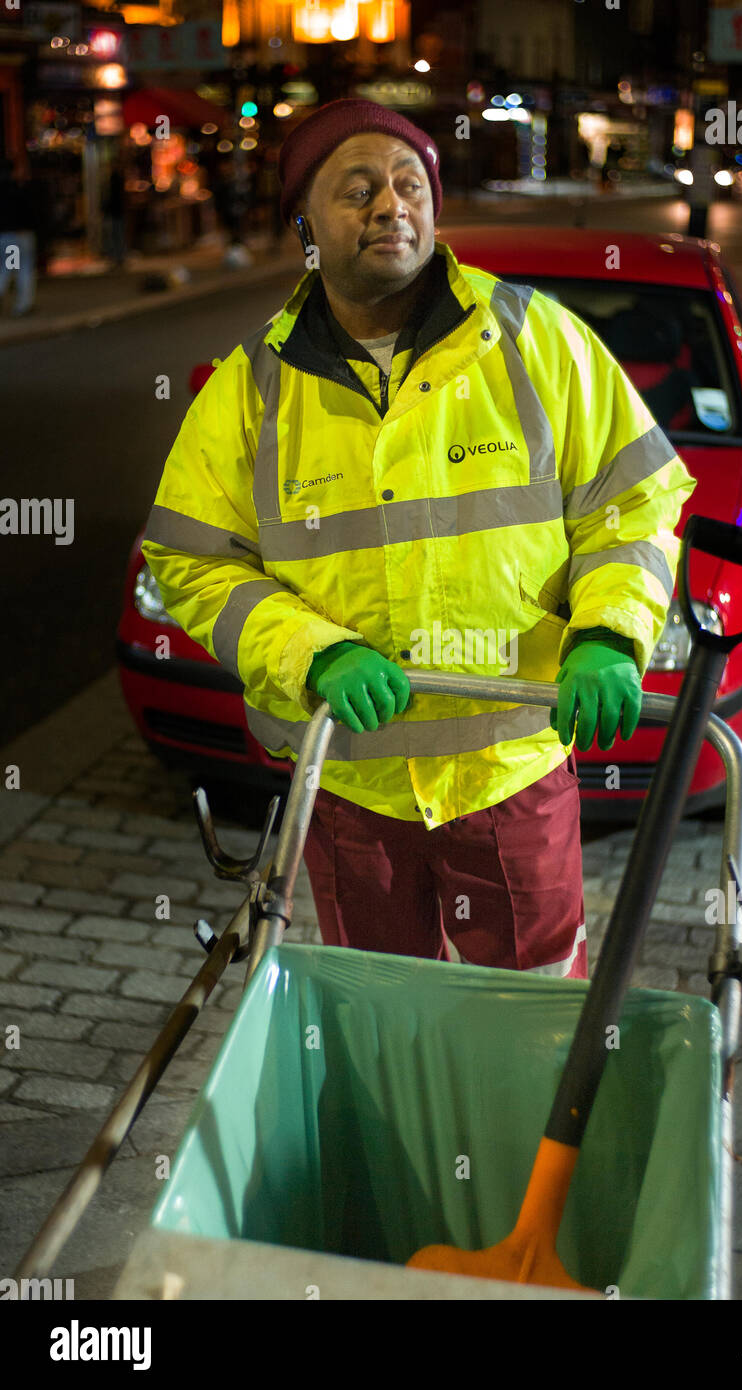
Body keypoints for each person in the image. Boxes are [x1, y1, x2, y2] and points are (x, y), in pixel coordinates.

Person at [141, 99, 696, 980]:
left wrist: (606, 636)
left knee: (532, 1015)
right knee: (378, 1021)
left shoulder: (535, 341)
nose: (390, 206)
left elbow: (635, 502)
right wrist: (311, 654)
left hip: (509, 772)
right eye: (356, 191)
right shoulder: (251, 390)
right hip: (352, 791)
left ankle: (517, 1130)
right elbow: (191, 558)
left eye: (409, 186)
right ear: (306, 229)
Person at [0, 157, 38, 317]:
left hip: (7, 235)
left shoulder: (5, 190)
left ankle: (23, 304)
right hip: (19, 236)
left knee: (8, 268)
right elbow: (28, 212)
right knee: (19, 270)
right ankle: (23, 304)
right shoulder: (17, 189)